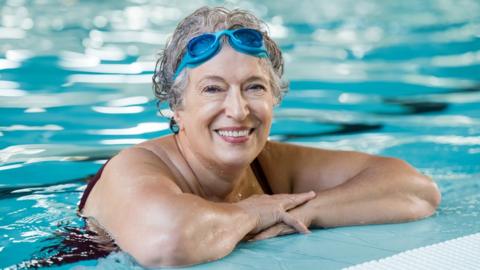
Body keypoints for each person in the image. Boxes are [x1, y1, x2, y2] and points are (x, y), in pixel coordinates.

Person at [78, 6, 441, 268]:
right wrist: (254, 212)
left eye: (254, 87)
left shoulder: (267, 164)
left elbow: (415, 190)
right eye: (212, 89)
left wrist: (305, 211)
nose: (237, 110)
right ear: (176, 107)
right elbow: (169, 242)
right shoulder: (136, 167)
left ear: (274, 98)